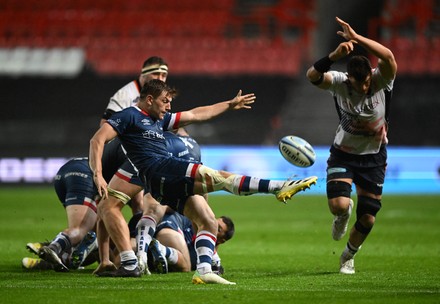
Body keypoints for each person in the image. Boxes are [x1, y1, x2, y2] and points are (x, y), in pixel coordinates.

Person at [89, 79, 318, 283]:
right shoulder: (129, 116)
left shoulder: (158, 120)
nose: (169, 106)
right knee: (219, 177)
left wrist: (229, 105)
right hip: (161, 169)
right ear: (149, 99)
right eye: (165, 101)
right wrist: (98, 173)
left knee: (207, 220)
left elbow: (197, 114)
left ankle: (204, 270)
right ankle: (277, 187)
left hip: (162, 184)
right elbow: (97, 140)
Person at [305, 17, 397, 274]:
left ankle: (348, 255)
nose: (366, 87)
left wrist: (357, 39)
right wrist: (334, 55)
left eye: (367, 82)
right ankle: (343, 215)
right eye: (360, 85)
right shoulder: (340, 82)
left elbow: (388, 56)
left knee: (368, 218)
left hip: (374, 156)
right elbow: (312, 75)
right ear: (350, 80)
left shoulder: (382, 80)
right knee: (339, 205)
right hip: (343, 154)